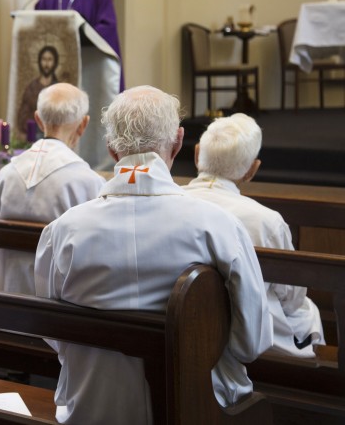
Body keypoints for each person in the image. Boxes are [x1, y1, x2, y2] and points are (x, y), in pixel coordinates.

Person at [34, 86, 272, 425]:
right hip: (195, 407)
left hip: (90, 408)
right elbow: (252, 341)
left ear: (112, 150)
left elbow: (54, 332)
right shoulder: (218, 226)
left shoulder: (62, 232)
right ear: (178, 142)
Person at [184, 113, 324, 357]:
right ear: (251, 170)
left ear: (197, 154)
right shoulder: (266, 221)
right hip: (246, 340)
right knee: (305, 312)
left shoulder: (169, 202)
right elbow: (291, 298)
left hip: (186, 326)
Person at [0, 83, 102, 295]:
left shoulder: (6, 174)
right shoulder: (87, 181)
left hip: (8, 296)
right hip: (58, 304)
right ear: (83, 124)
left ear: (38, 119)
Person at [34, 0, 123, 89]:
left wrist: (77, 37)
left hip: (89, 61)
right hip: (58, 63)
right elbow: (38, 29)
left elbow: (108, 27)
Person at [16, 46, 60, 135]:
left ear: (55, 62)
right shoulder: (31, 88)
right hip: (34, 136)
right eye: (44, 59)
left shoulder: (58, 88)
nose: (46, 64)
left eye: (50, 59)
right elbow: (22, 117)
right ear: (39, 61)